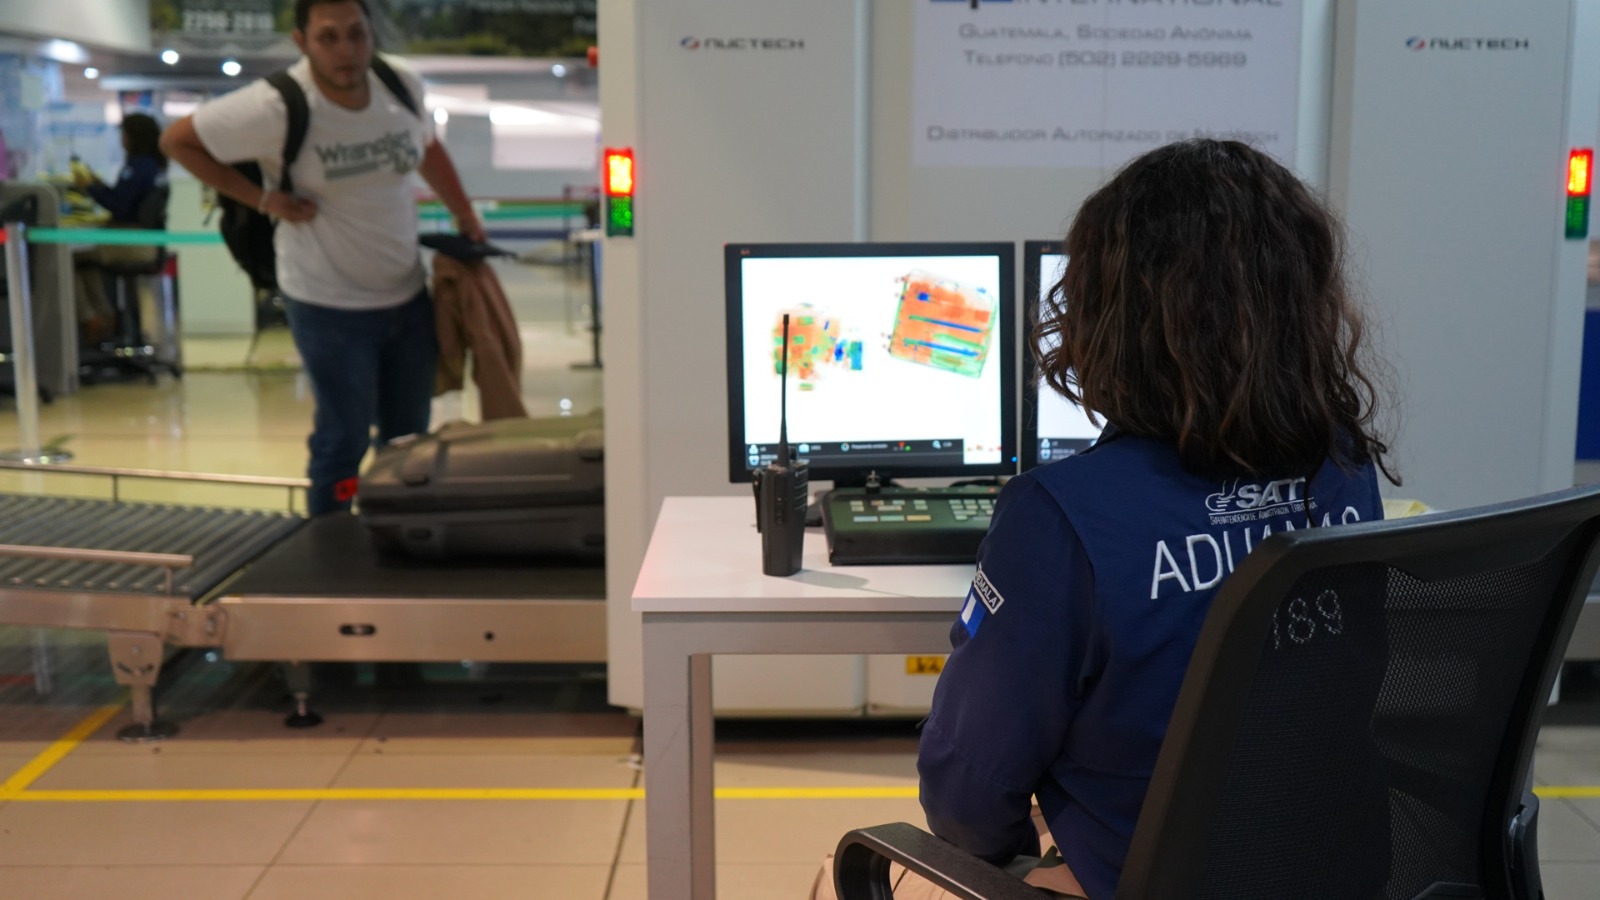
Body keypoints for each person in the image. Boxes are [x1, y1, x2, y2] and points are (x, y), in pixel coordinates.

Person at [817, 140, 1398, 900]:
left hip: (1147, 880)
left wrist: (1022, 866)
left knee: (839, 879)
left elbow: (967, 788)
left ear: (1110, 319)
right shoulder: (1344, 467)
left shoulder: (1062, 516)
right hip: (1336, 867)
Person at [161, 0, 484, 515]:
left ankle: (398, 531)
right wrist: (263, 200)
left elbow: (425, 146)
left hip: (406, 295)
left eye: (356, 34)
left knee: (408, 436)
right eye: (328, 37)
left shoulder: (399, 84)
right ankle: (332, 541)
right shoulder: (275, 105)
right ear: (302, 42)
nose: (346, 50)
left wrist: (464, 213)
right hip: (328, 305)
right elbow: (178, 141)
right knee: (343, 435)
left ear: (372, 33)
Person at [72, 112, 168, 345]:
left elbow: (120, 206)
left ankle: (91, 316)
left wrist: (90, 189)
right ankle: (103, 314)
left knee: (69, 260)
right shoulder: (154, 166)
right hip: (146, 242)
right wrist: (98, 186)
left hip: (132, 242)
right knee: (87, 262)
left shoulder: (137, 167)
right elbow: (124, 200)